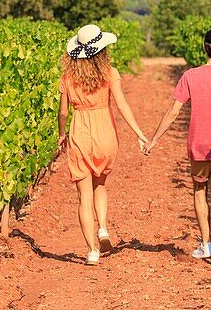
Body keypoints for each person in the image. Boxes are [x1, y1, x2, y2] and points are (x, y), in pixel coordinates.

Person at [145, 28, 211, 270]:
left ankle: (206, 245)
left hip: (199, 146)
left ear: (205, 48)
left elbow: (173, 112)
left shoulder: (190, 76)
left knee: (200, 191)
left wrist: (153, 140)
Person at [58, 23, 149, 266]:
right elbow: (122, 106)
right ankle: (104, 229)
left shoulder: (67, 78)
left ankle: (91, 252)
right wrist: (139, 133)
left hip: (80, 134)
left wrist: (60, 135)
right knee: (101, 183)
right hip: (105, 133)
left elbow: (63, 113)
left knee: (83, 197)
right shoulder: (110, 73)